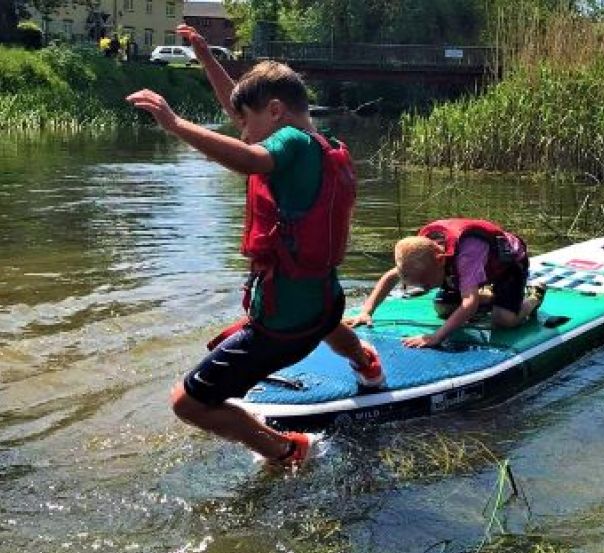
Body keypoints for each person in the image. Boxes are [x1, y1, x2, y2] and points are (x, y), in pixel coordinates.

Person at [126, 26, 384, 468]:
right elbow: (247, 114)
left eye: (246, 121)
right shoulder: (326, 145)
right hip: (325, 298)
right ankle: (366, 363)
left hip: (283, 324)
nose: (242, 132)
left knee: (186, 404)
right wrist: (207, 58)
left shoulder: (287, 143)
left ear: (277, 111)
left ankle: (287, 450)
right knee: (329, 321)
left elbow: (251, 158)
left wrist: (175, 125)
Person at [344, 219, 547, 348]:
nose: (423, 288)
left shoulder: (465, 256)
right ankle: (491, 296)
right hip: (474, 270)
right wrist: (367, 312)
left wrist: (436, 337)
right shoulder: (419, 256)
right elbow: (390, 277)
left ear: (440, 261)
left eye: (424, 283)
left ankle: (532, 297)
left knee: (503, 320)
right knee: (443, 308)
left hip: (508, 266)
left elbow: (469, 304)